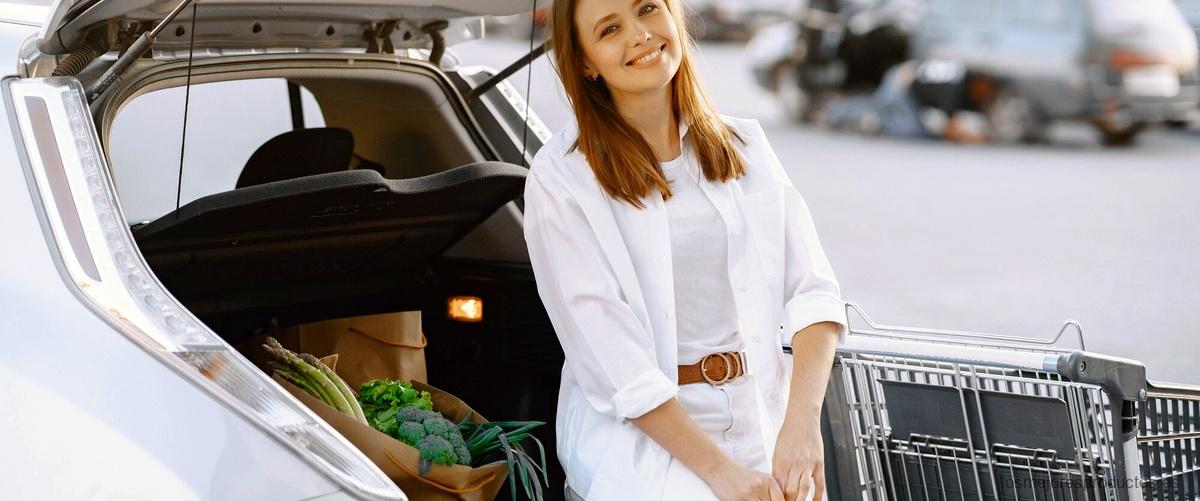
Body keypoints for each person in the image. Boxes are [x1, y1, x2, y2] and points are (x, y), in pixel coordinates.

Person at [522, 0, 850, 499]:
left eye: (648, 8)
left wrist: (802, 428)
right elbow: (612, 358)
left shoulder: (746, 144)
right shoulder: (562, 176)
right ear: (585, 61)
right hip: (641, 444)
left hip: (762, 418)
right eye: (610, 29)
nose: (639, 34)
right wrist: (721, 474)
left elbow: (814, 293)